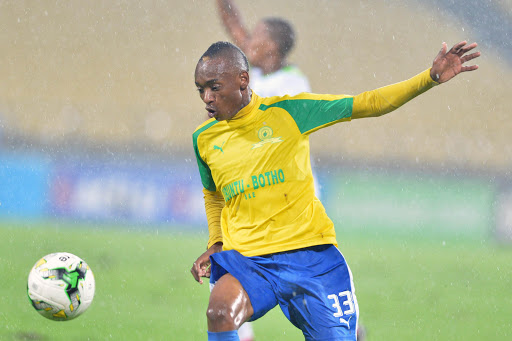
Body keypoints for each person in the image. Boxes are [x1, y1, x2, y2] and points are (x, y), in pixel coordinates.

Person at [190, 40, 480, 341]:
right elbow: (213, 195)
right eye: (200, 90)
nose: (207, 98)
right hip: (249, 261)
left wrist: (428, 78)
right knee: (220, 313)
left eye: (213, 87)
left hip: (309, 258)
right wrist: (216, 242)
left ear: (243, 80)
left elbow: (369, 103)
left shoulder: (288, 112)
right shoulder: (204, 139)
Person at [215, 0, 311, 97]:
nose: (249, 41)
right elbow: (232, 22)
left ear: (271, 46)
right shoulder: (258, 69)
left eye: (256, 34)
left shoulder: (293, 82)